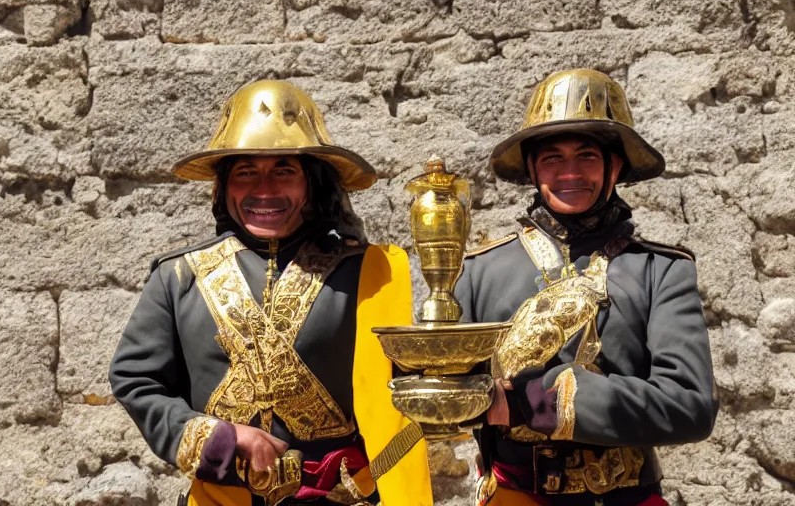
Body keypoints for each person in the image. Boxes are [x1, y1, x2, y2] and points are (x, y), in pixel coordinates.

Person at [109, 80, 431, 506]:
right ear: (224, 187)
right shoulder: (178, 277)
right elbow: (136, 380)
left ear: (313, 184)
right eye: (246, 172)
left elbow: (407, 391)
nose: (265, 190)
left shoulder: (368, 273)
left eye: (284, 170)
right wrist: (219, 439)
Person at [455, 69, 719, 506]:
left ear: (615, 166)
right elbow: (445, 386)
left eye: (587, 156)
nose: (570, 173)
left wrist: (538, 403)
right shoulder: (478, 271)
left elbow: (689, 406)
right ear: (533, 168)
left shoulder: (661, 271)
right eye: (552, 158)